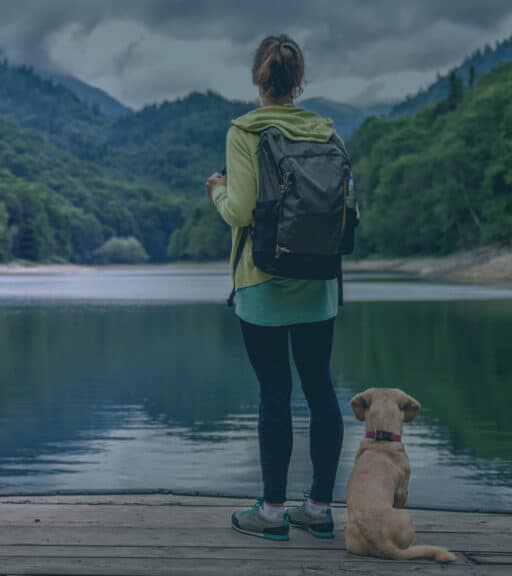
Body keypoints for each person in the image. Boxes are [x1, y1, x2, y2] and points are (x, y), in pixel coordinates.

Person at [205, 34, 346, 541]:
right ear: (299, 81)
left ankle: (271, 512)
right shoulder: (327, 132)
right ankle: (320, 508)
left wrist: (218, 191)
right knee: (320, 388)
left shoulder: (245, 130)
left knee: (274, 392)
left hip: (262, 282)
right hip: (319, 284)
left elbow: (241, 211)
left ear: (256, 79)